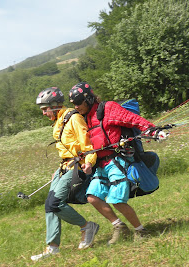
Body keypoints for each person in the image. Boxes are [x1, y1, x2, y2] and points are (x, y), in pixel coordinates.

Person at [69, 82, 166, 245]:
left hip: (118, 161)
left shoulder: (107, 109)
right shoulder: (83, 118)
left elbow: (132, 119)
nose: (76, 107)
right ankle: (119, 227)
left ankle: (141, 231)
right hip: (100, 165)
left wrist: (153, 131)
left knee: (116, 200)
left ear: (88, 99)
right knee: (92, 196)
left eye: (79, 102)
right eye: (74, 104)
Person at [31, 87, 99, 261]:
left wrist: (89, 163)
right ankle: (52, 247)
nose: (44, 113)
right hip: (64, 167)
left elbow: (88, 145)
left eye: (45, 109)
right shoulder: (59, 121)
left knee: (55, 202)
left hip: (80, 166)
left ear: (54, 105)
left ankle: (86, 227)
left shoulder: (74, 118)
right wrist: (57, 171)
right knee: (49, 205)